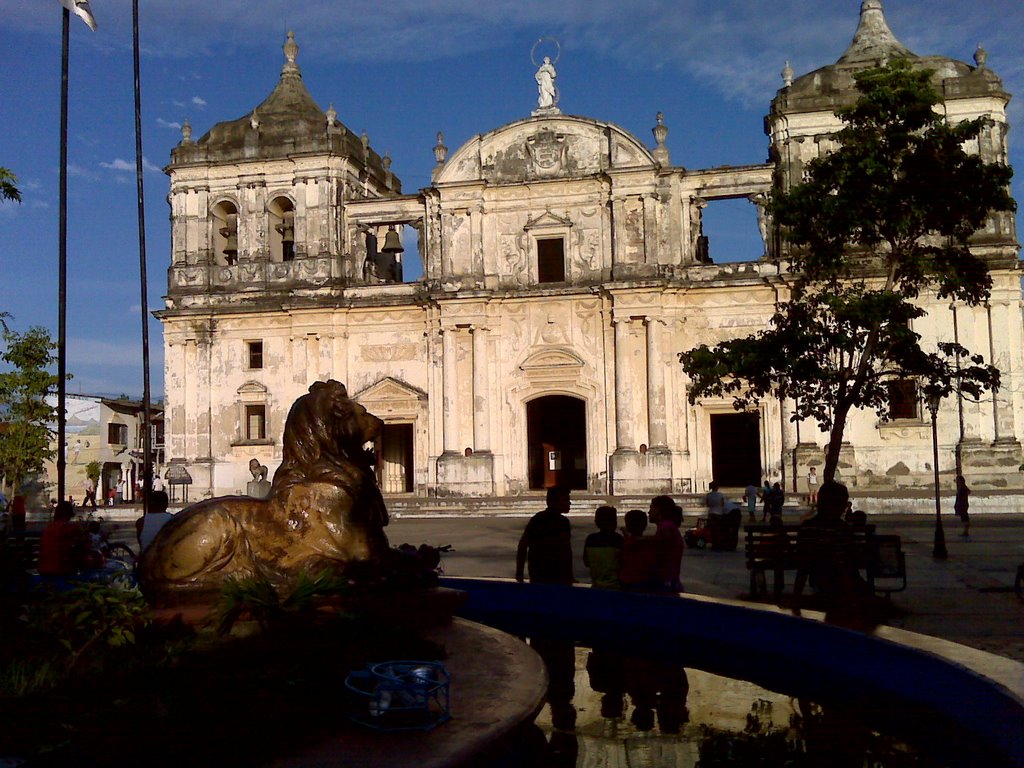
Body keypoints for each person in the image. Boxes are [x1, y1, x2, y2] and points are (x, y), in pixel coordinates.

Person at [515, 486, 573, 584]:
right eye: (565, 500)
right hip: (552, 574)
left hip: (540, 572)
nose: (569, 503)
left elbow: (523, 545)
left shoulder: (538, 519)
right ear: (554, 502)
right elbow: (566, 551)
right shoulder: (561, 523)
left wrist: (519, 572)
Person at [37, 500, 87, 577]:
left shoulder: (49, 528)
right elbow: (83, 544)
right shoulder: (71, 528)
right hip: (61, 569)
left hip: (44, 568)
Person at [583, 505, 623, 590]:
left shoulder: (591, 539)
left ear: (596, 522)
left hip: (597, 586)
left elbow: (586, 562)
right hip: (616, 586)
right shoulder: (618, 539)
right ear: (614, 522)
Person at [650, 496, 684, 593]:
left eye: (651, 508)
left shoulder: (666, 527)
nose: (649, 512)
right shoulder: (667, 526)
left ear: (658, 510)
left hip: (666, 581)